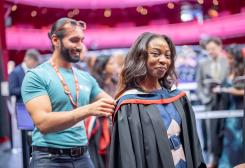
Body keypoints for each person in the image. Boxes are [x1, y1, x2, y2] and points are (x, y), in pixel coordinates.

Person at [21, 17, 115, 168]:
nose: (80, 46)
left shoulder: (85, 78)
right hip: (49, 158)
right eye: (74, 40)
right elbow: (43, 122)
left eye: (82, 40)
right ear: (55, 40)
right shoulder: (37, 76)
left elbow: (113, 104)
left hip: (83, 156)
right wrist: (88, 110)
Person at [109, 32, 206, 168]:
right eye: (155, 54)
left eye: (167, 55)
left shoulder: (178, 98)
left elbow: (194, 147)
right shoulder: (129, 105)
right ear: (140, 57)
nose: (163, 60)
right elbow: (127, 158)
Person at [196, 37, 229, 167]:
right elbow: (199, 84)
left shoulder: (227, 61)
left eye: (213, 49)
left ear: (220, 47)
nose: (211, 51)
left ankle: (225, 158)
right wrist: (204, 99)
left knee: (225, 130)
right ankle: (212, 159)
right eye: (208, 49)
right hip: (209, 103)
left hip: (226, 101)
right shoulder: (203, 64)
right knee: (210, 133)